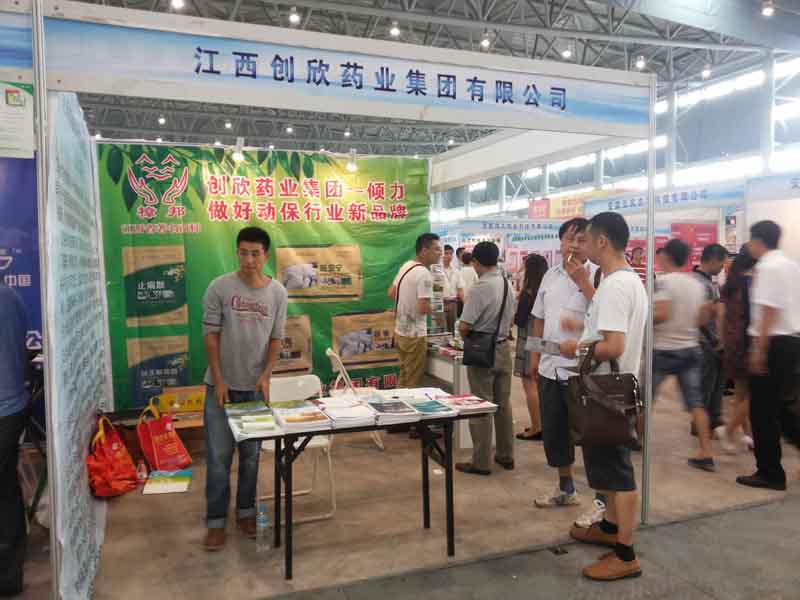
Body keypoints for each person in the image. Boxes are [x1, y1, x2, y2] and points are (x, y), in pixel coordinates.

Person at [562, 212, 648, 582]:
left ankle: (625, 554)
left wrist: (578, 347)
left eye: (585, 240)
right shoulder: (627, 282)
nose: (580, 247)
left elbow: (613, 346)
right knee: (609, 468)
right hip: (611, 389)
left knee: (618, 472)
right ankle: (610, 527)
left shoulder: (614, 286)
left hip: (606, 393)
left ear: (602, 241)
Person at [202, 226, 288, 551]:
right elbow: (211, 335)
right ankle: (215, 522)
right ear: (236, 252)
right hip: (220, 389)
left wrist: (266, 375)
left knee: (251, 458)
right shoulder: (219, 287)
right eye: (243, 252)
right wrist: (219, 378)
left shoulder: (277, 293)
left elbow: (276, 338)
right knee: (218, 458)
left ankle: (246, 513)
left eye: (255, 253)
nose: (248, 260)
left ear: (266, 255)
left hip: (254, 390)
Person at [530, 218, 598, 509]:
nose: (574, 245)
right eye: (570, 239)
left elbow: (606, 316)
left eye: (582, 240)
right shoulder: (550, 275)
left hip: (585, 372)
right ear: (560, 242)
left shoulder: (599, 275)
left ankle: (602, 501)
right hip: (549, 366)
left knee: (593, 436)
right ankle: (566, 487)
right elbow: (539, 318)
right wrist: (534, 356)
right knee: (555, 432)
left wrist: (583, 282)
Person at [737, 221, 800, 491]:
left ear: (757, 241)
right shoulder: (791, 265)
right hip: (792, 341)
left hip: (773, 343)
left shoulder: (767, 267)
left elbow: (769, 311)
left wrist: (759, 351)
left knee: (762, 411)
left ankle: (770, 472)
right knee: (783, 408)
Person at [652, 239, 715, 472]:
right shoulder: (696, 284)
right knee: (696, 402)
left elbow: (663, 313)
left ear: (667, 257)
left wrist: (644, 319)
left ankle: (634, 439)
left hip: (664, 349)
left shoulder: (663, 282)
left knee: (645, 398)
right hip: (690, 347)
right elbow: (703, 318)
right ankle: (705, 452)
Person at [455, 241, 516, 475]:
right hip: (503, 348)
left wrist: (467, 338)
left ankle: (481, 462)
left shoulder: (480, 288)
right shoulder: (506, 283)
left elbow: (465, 325)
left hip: (482, 351)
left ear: (476, 262)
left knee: (481, 407)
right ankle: (506, 455)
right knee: (503, 405)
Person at [0, 284, 28, 595]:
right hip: (12, 407)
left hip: (4, 407)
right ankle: (9, 575)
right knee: (6, 489)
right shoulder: (12, 297)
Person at [717, 245, 756, 453]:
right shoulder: (752, 284)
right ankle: (730, 430)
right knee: (754, 393)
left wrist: (723, 341)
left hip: (733, 343)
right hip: (748, 344)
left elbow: (721, 316)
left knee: (741, 393)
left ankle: (748, 436)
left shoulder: (731, 284)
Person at [388, 233, 441, 388]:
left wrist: (407, 301)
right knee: (412, 380)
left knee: (404, 374)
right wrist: (437, 307)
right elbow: (423, 308)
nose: (440, 253)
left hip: (400, 332)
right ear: (424, 250)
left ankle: (398, 401)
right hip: (415, 336)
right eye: (436, 249)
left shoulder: (407, 266)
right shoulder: (424, 274)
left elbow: (391, 293)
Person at [693, 243, 728, 432]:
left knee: (716, 381)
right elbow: (700, 318)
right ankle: (699, 424)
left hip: (712, 340)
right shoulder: (700, 283)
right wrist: (714, 340)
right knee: (705, 384)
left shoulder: (708, 282)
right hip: (705, 341)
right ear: (713, 260)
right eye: (721, 263)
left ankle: (713, 417)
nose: (722, 268)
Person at [513, 253, 548, 442]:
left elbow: (519, 320)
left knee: (529, 384)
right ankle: (543, 424)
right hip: (544, 342)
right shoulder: (547, 291)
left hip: (529, 341)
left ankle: (537, 427)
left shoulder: (528, 294)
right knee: (540, 385)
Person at [441, 244, 463, 334]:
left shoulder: (456, 271)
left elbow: (460, 289)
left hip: (453, 303)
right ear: (441, 254)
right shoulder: (436, 270)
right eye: (446, 253)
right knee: (442, 330)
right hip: (440, 303)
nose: (449, 256)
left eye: (451, 254)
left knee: (452, 330)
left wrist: (466, 304)